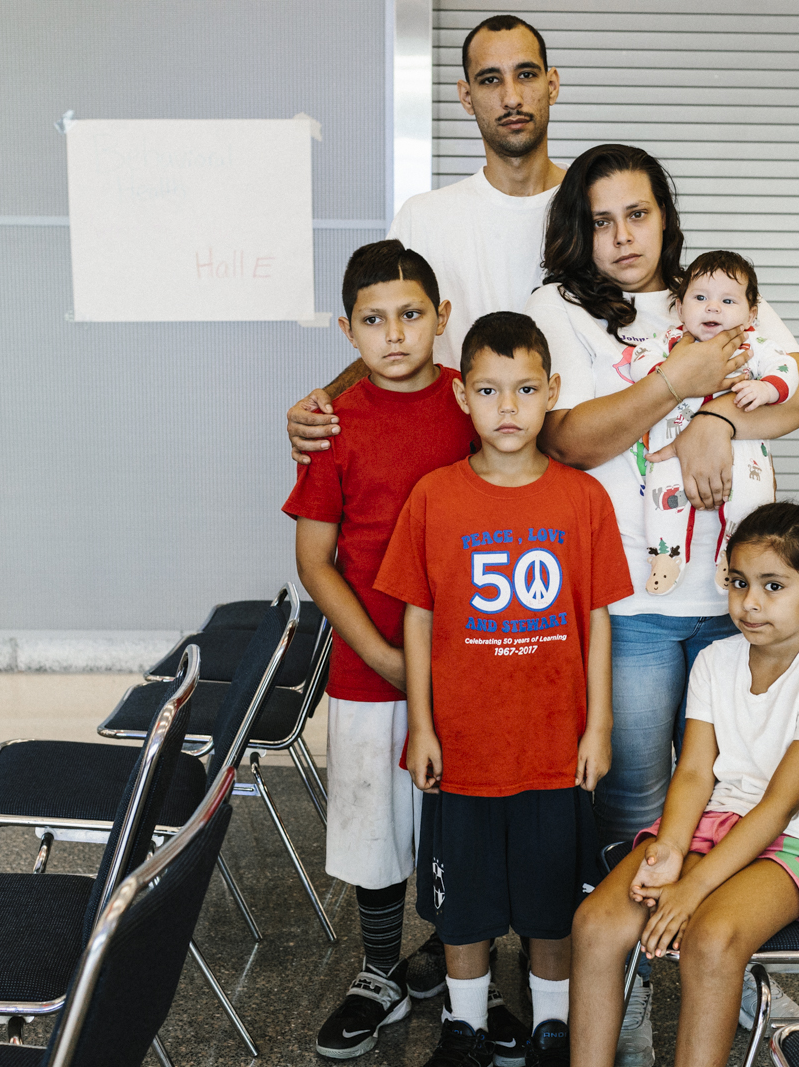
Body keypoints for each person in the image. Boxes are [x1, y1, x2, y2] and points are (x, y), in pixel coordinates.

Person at [528, 144, 799, 1060]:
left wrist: (717, 418)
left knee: (733, 789)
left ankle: (702, 964)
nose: (623, 237)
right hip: (638, 603)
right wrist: (678, 383)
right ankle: (629, 969)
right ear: (580, 228)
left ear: (666, 216)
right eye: (603, 219)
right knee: (639, 805)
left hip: (742, 602)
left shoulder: (717, 287)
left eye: (639, 214)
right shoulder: (560, 309)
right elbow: (571, 438)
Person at [375, 312, 633, 1067]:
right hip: (464, 749)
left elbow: (597, 618)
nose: (509, 407)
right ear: (462, 396)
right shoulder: (434, 497)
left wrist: (600, 725)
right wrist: (421, 724)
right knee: (466, 909)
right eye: (489, 390)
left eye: (526, 388)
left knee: (554, 902)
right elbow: (417, 620)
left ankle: (553, 1027)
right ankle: (467, 1029)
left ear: (552, 391)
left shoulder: (582, 500)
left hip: (555, 748)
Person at [285, 239, 513, 1059]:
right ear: (348, 331)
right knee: (375, 830)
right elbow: (314, 559)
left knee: (468, 832)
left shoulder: (476, 400)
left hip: (477, 663)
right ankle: (381, 971)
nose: (394, 334)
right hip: (369, 667)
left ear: (442, 319)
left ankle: (466, 981)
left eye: (411, 315)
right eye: (373, 320)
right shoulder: (334, 423)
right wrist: (384, 657)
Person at [569, 501, 799, 1067]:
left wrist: (694, 885)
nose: (749, 603)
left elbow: (779, 808)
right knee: (597, 924)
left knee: (710, 937)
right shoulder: (716, 660)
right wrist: (671, 850)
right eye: (738, 583)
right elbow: (694, 772)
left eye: (773, 586)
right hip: (717, 823)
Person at [288, 14, 563, 463]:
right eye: (490, 80)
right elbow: (391, 340)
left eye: (526, 75)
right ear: (466, 96)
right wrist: (323, 403)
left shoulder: (599, 213)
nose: (511, 97)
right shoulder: (425, 217)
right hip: (454, 468)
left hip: (577, 468)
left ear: (551, 84)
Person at [624, 251, 797, 596]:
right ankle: (664, 556)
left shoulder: (755, 346)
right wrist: (673, 372)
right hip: (671, 442)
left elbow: (788, 371)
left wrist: (766, 388)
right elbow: (640, 362)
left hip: (742, 445)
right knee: (662, 496)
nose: (712, 307)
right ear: (680, 307)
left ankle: (734, 554)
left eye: (727, 300)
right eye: (700, 297)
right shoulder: (671, 343)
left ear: (751, 314)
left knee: (752, 497)